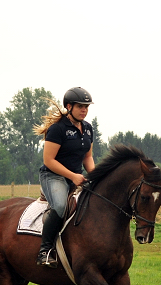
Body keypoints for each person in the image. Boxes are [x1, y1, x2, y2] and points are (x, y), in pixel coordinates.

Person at [33, 87, 95, 268]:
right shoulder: (57, 129)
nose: (84, 110)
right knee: (60, 205)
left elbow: (88, 157)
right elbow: (49, 160)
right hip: (53, 176)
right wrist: (73, 176)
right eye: (80, 106)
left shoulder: (88, 129)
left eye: (87, 107)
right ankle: (44, 251)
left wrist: (96, 176)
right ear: (69, 106)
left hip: (75, 176)